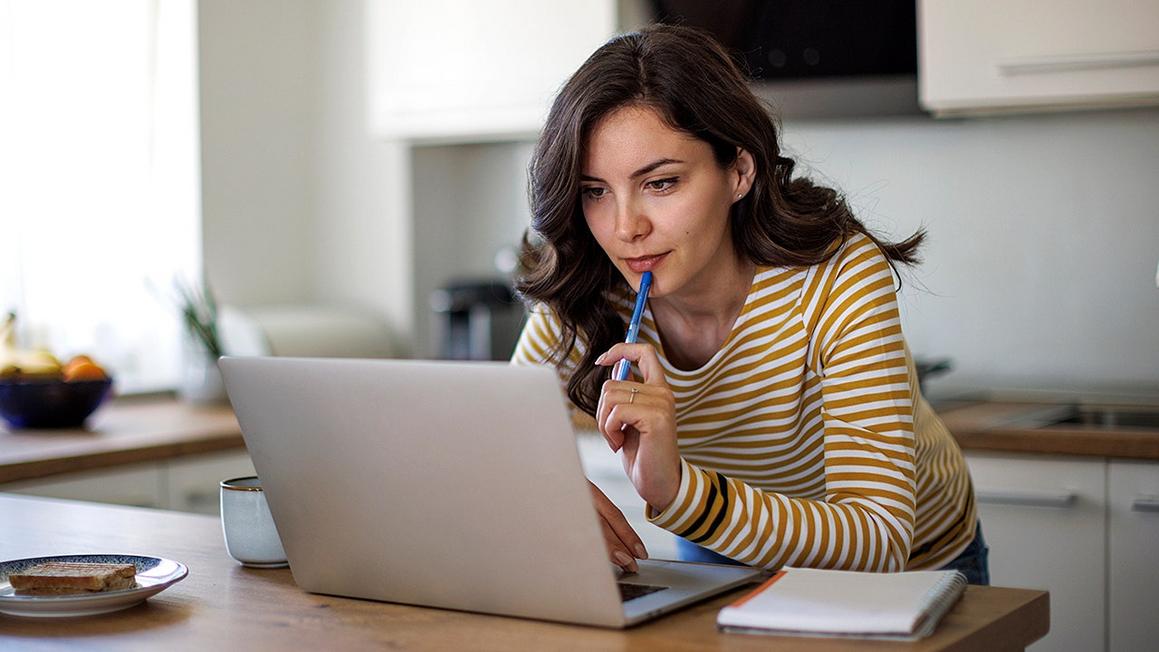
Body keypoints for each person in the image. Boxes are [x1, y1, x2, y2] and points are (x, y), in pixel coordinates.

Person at [510, 25, 988, 585]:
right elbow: (500, 442)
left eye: (661, 183)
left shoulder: (837, 274)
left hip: (912, 569)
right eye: (595, 191)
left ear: (738, 171)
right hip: (725, 549)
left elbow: (879, 536)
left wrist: (681, 493)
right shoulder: (590, 281)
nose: (625, 229)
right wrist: (546, 490)